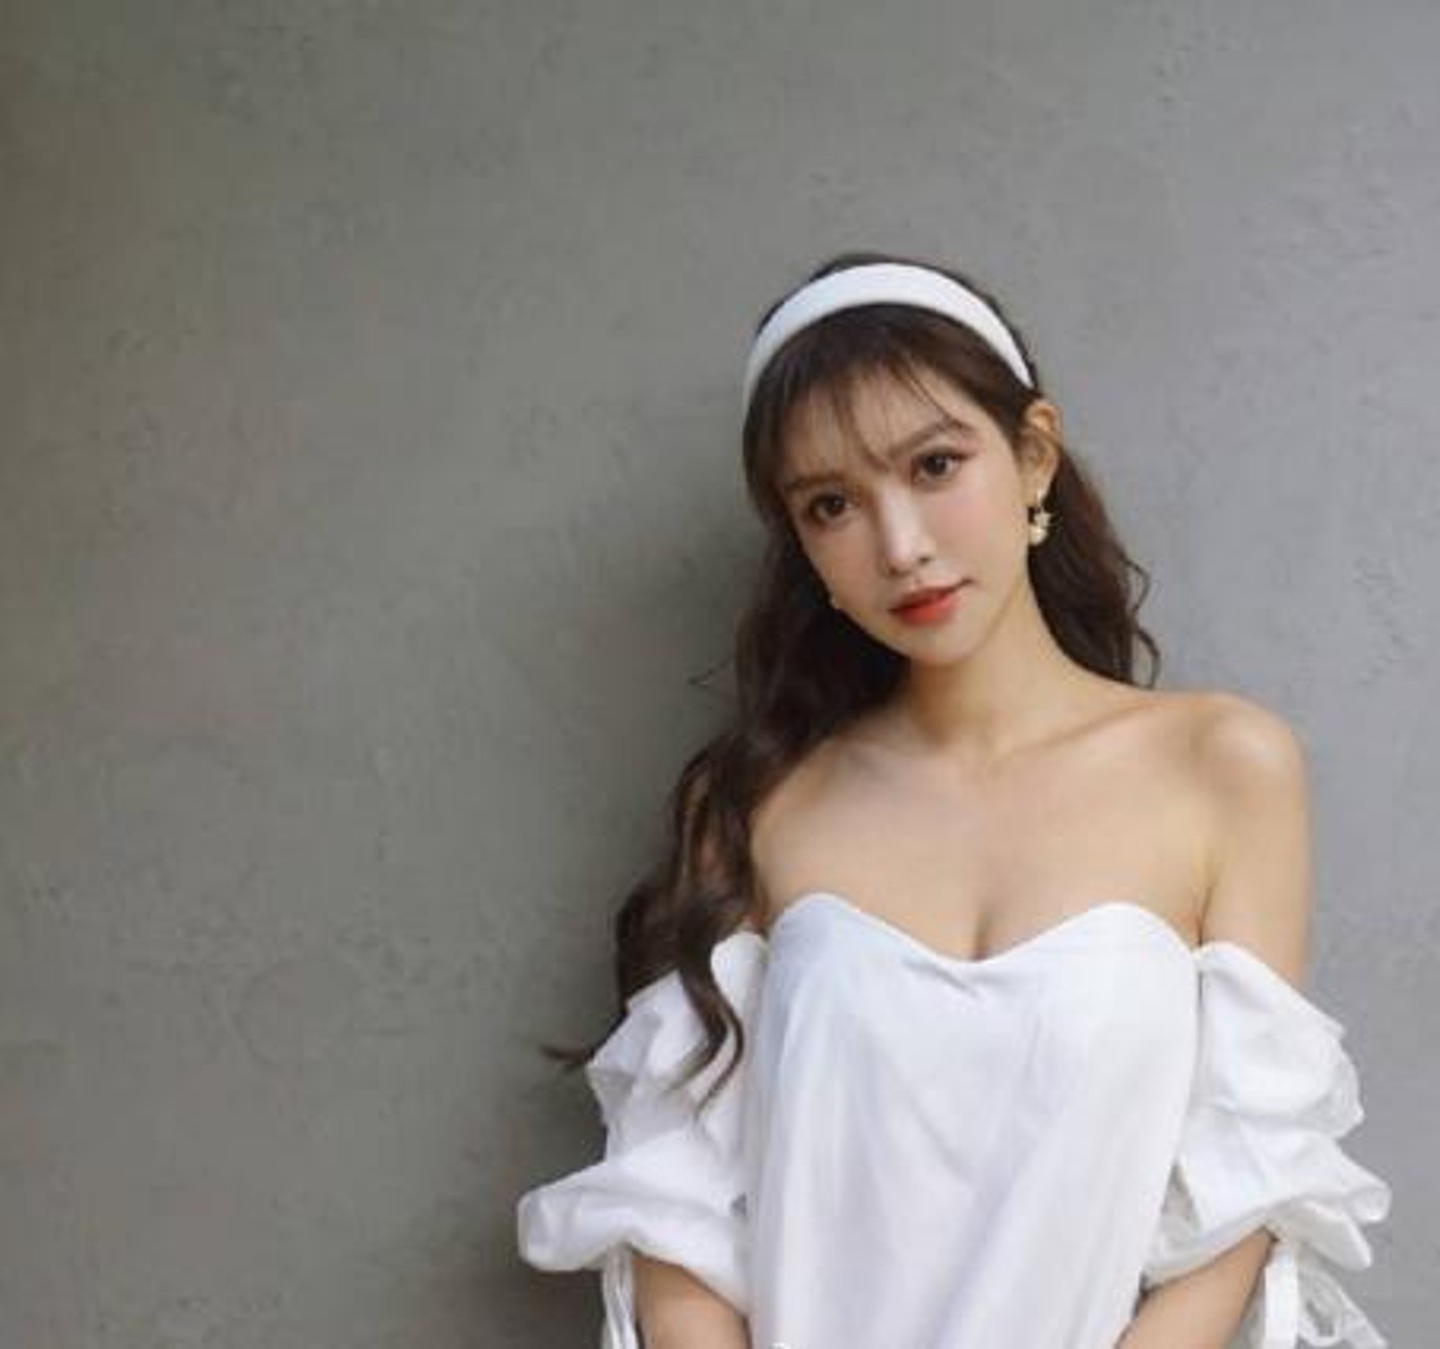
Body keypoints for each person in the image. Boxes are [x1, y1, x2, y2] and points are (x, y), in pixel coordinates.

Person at [516, 251, 1393, 1348]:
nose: (901, 545)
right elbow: (672, 1213)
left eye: (935, 465)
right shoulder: (753, 806)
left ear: (1033, 455)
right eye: (832, 504)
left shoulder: (1222, 766)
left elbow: (1249, 1189)